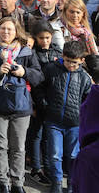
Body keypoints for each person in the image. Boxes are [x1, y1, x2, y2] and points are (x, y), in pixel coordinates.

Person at [0, 16, 44, 193]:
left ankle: (18, 182)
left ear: (16, 32)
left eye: (10, 29)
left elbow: (38, 77)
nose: (6, 32)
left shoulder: (26, 52)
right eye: (2, 28)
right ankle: (3, 182)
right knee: (0, 146)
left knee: (19, 147)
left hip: (21, 106)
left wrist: (24, 71)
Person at [41, 40, 92, 193]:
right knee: (55, 154)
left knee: (73, 155)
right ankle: (56, 182)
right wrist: (44, 104)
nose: (71, 65)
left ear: (82, 61)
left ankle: (71, 183)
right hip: (53, 120)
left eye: (75, 63)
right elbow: (41, 88)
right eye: (68, 61)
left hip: (75, 124)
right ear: (63, 56)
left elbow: (87, 100)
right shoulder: (51, 69)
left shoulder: (84, 78)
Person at [29, 19, 63, 186]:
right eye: (41, 38)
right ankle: (36, 168)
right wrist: (36, 104)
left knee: (49, 136)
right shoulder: (32, 53)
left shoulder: (57, 52)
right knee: (36, 134)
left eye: (48, 37)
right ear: (35, 37)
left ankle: (48, 167)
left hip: (53, 100)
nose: (45, 41)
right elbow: (33, 81)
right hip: (37, 99)